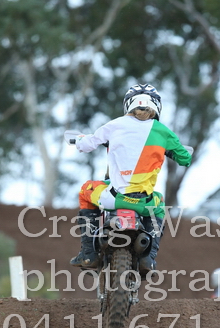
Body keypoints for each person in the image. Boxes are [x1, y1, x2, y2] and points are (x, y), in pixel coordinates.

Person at [69, 83, 192, 275]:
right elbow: (185, 159)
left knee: (86, 190)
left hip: (114, 198)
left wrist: (79, 140)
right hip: (144, 203)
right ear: (157, 106)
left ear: (128, 104)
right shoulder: (163, 132)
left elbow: (86, 145)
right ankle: (149, 257)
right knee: (159, 203)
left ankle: (88, 253)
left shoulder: (114, 125)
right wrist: (168, 150)